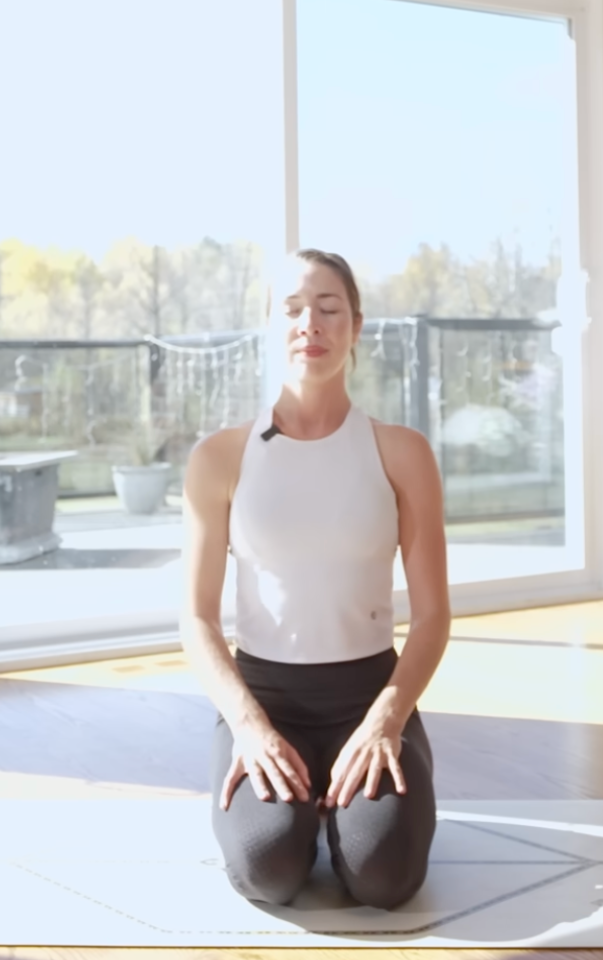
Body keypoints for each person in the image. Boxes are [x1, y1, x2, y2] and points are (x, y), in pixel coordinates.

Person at [178, 248, 451, 910]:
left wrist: (388, 717)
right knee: (268, 866)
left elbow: (435, 615)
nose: (311, 325)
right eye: (292, 311)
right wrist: (247, 724)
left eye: (329, 309)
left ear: (356, 327)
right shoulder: (219, 459)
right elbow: (197, 618)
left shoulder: (403, 452)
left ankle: (347, 806)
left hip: (370, 695)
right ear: (270, 328)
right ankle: (301, 814)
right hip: (266, 699)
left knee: (382, 875)